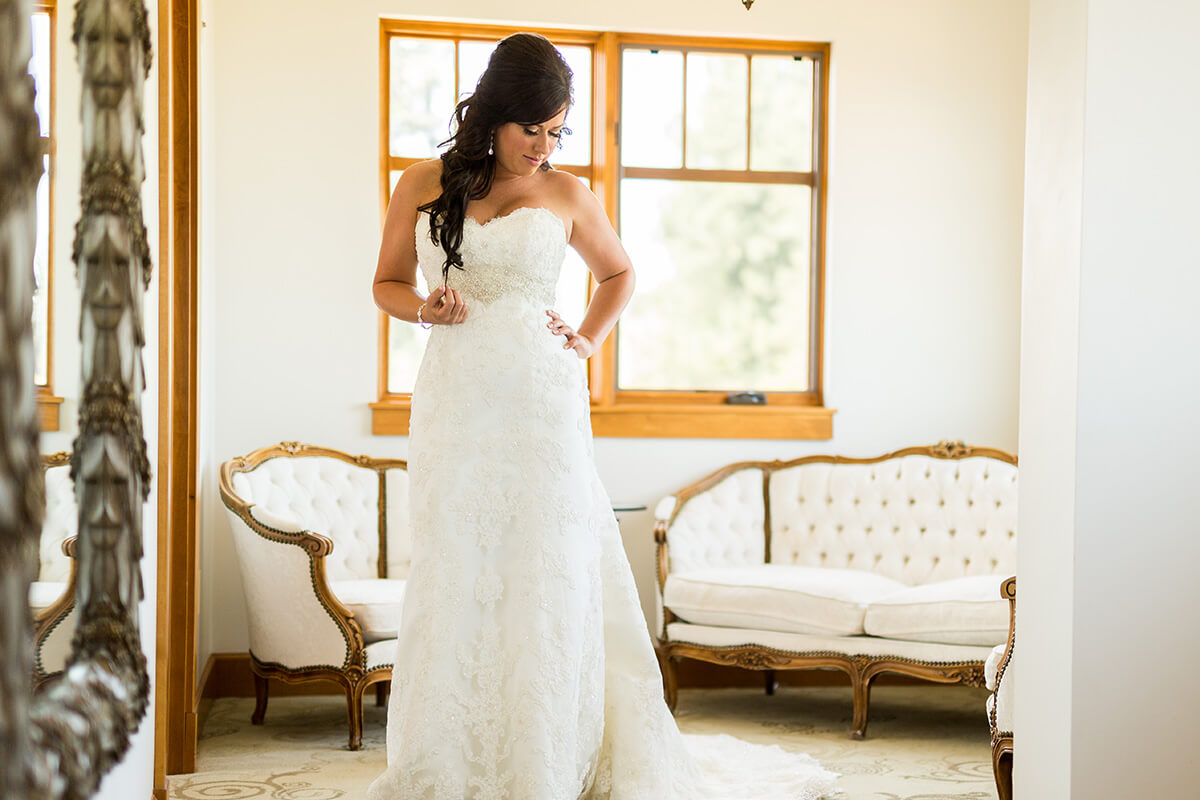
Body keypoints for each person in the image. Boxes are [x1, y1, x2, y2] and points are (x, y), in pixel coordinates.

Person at [366, 31, 838, 800]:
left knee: (543, 567)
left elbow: (619, 273)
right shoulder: (419, 184)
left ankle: (546, 757)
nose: (545, 148)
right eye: (533, 130)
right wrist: (425, 308)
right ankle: (445, 757)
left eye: (559, 131)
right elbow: (385, 283)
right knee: (457, 565)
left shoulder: (568, 193)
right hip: (455, 402)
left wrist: (585, 338)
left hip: (541, 407)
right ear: (494, 113)